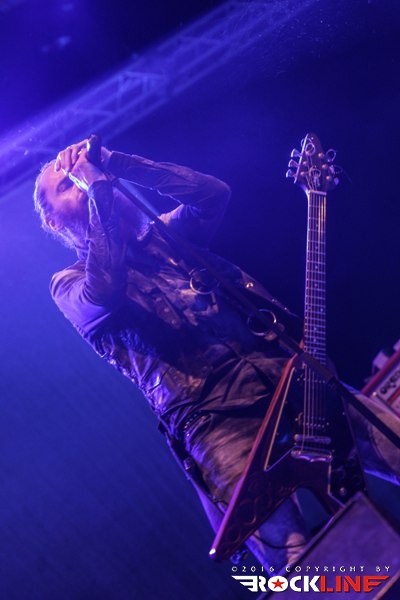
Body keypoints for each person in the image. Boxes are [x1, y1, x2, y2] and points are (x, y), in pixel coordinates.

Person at [33, 138, 400, 571]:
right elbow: (107, 283)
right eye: (66, 183)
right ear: (54, 222)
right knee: (295, 560)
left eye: (80, 174)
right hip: (220, 423)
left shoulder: (167, 237)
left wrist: (118, 162)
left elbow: (212, 195)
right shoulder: (69, 286)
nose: (80, 177)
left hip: (289, 377)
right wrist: (96, 189)